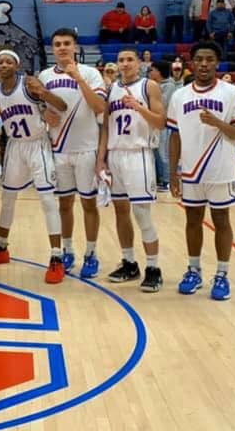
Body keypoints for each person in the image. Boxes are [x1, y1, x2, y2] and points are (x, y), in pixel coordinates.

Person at [168, 41, 235, 300]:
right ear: (191, 63)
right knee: (192, 221)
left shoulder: (232, 93)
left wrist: (217, 123)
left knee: (221, 221)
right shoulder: (179, 95)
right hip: (191, 170)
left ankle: (222, 274)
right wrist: (172, 172)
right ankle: (194, 270)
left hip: (222, 169)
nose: (204, 64)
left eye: (210, 59)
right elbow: (174, 136)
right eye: (200, 59)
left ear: (217, 62)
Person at [0, 50, 69, 284]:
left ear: (16, 66)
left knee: (48, 200)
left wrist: (45, 94)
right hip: (15, 146)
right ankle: (1, 248)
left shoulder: (29, 84)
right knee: (8, 198)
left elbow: (62, 105)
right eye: (0, 61)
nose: (4, 64)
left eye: (9, 61)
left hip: (38, 145)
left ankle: (57, 257)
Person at [38, 28, 107, 277]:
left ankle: (91, 252)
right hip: (58, 149)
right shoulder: (44, 76)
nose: (62, 48)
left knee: (89, 204)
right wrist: (43, 114)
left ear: (75, 46)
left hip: (86, 148)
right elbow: (39, 109)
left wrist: (78, 77)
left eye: (67, 43)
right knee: (64, 204)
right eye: (57, 44)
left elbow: (100, 107)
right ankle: (67, 250)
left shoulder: (91, 73)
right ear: (53, 49)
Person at [96, 47, 166, 292]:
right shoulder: (112, 89)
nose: (124, 64)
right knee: (120, 212)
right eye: (121, 60)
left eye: (129, 60)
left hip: (139, 155)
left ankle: (154, 268)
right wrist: (100, 159)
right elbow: (106, 126)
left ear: (139, 64)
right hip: (115, 155)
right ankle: (129, 262)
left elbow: (161, 122)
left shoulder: (149, 87)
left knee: (142, 214)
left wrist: (138, 107)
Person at [149, 61, 176, 191]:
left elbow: (162, 103)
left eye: (152, 70)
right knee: (156, 152)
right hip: (154, 123)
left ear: (159, 71)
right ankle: (160, 178)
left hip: (164, 124)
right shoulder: (155, 85)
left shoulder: (169, 85)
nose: (150, 72)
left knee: (163, 152)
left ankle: (167, 181)